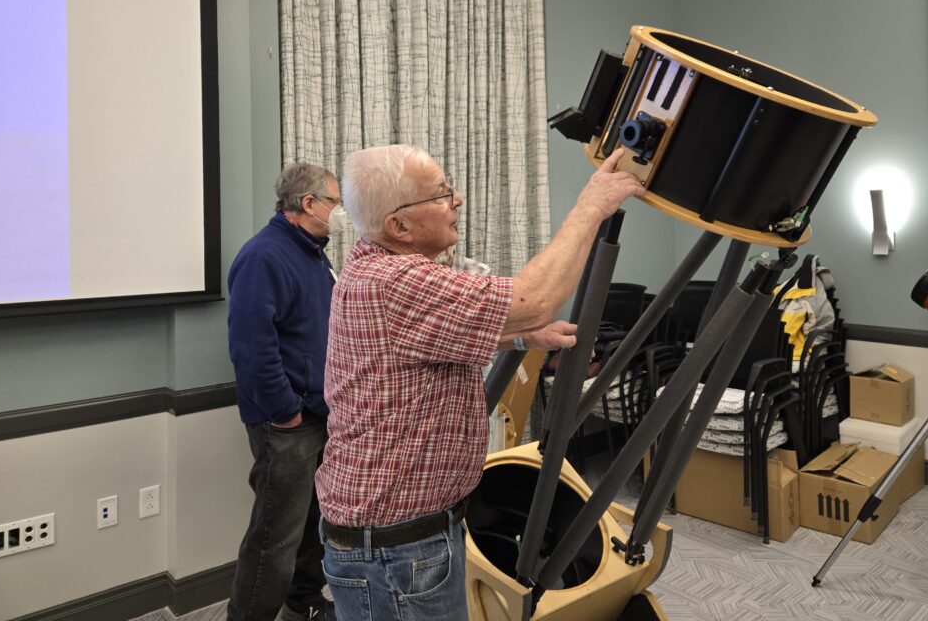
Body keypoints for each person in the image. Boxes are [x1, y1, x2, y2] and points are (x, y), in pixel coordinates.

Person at [315, 144, 644, 620]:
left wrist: (520, 336)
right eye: (441, 194)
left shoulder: (375, 266)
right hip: (396, 553)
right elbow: (534, 299)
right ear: (399, 226)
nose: (458, 199)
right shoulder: (396, 281)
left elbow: (426, 341)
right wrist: (591, 207)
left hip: (402, 538)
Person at [227, 163, 345, 621]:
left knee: (313, 523)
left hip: (319, 412)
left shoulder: (314, 255)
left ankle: (304, 601)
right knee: (275, 536)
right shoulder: (264, 256)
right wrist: (284, 412)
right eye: (334, 202)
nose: (340, 212)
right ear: (308, 204)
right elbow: (251, 347)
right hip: (287, 422)